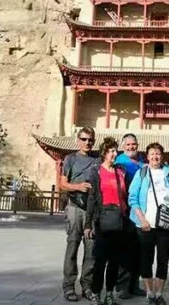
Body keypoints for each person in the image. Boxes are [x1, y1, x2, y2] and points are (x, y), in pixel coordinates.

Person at [129, 142, 169, 305]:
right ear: (147, 156)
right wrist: (142, 219)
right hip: (146, 224)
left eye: (158, 153)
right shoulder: (142, 173)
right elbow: (133, 198)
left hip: (165, 224)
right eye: (152, 153)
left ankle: (159, 293)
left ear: (162, 156)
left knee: (163, 260)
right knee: (146, 259)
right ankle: (149, 293)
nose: (155, 156)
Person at [84, 137, 128, 305]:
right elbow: (92, 198)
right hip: (102, 219)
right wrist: (88, 224)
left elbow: (125, 196)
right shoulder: (97, 172)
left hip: (119, 219)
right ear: (104, 153)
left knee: (114, 260)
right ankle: (96, 292)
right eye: (111, 151)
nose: (114, 154)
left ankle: (109, 293)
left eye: (115, 151)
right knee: (100, 259)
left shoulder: (120, 171)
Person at [59, 127, 99, 302]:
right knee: (73, 246)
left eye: (90, 140)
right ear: (78, 140)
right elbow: (62, 183)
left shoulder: (97, 160)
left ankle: (87, 286)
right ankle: (69, 286)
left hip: (91, 210)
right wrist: (78, 186)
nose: (87, 142)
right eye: (84, 139)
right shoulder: (70, 158)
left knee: (91, 249)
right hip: (75, 207)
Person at [114, 133, 147, 299]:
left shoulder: (142, 162)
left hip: (140, 212)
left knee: (138, 249)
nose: (131, 147)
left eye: (133, 144)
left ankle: (134, 284)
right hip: (125, 211)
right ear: (123, 146)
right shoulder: (119, 162)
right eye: (128, 144)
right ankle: (122, 286)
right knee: (125, 250)